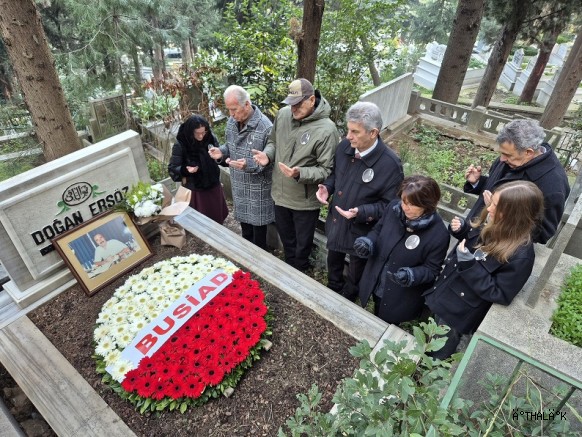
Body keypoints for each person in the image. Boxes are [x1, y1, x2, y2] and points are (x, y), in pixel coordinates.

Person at [424, 181, 545, 359]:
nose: (489, 208)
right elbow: (475, 241)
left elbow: (501, 294)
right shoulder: (497, 222)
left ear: (514, 213)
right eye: (492, 202)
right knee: (429, 334)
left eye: (496, 205)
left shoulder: (521, 255)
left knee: (438, 351)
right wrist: (462, 229)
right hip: (445, 290)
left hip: (459, 311)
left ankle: (428, 371)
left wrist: (469, 265)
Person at [316, 101, 403, 301]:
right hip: (337, 221)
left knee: (356, 273)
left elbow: (391, 206)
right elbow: (336, 175)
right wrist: (327, 188)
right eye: (348, 130)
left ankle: (348, 300)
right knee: (334, 260)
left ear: (373, 133)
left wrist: (362, 212)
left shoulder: (390, 165)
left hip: (362, 230)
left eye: (355, 132)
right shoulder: (344, 147)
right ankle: (332, 289)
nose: (348, 136)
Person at [253, 78, 339, 272]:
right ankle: (289, 268)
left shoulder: (327, 130)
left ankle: (300, 271)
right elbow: (273, 142)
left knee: (302, 244)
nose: (293, 109)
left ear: (311, 100)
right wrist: (268, 155)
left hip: (304, 201)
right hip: (280, 194)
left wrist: (300, 173)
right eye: (291, 104)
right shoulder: (283, 115)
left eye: (298, 104)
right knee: (286, 239)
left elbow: (327, 169)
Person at [353, 176, 449, 324]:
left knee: (387, 321)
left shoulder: (439, 234)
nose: (405, 207)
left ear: (427, 204)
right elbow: (378, 230)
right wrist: (368, 242)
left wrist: (412, 275)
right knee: (376, 310)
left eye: (412, 204)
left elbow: (432, 269)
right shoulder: (394, 208)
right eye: (403, 201)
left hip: (400, 292)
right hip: (377, 274)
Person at [463, 119, 569, 244]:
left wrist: (500, 211)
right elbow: (499, 187)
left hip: (496, 246)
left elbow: (542, 233)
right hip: (473, 231)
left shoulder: (553, 185)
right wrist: (478, 182)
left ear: (528, 152)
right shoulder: (512, 158)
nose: (501, 159)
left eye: (507, 155)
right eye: (502, 153)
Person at [208, 85, 274, 250]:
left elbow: (270, 160)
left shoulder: (265, 126)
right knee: (245, 230)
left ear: (247, 104)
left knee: (258, 234)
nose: (231, 114)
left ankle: (259, 259)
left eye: (234, 109)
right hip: (239, 184)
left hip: (258, 189)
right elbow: (230, 145)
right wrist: (221, 152)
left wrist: (249, 165)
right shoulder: (232, 121)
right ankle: (246, 256)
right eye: (229, 109)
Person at [168, 115, 229, 224]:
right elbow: (173, 168)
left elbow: (219, 157)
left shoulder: (210, 137)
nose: (201, 136)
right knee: (202, 221)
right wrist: (186, 170)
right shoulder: (181, 144)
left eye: (203, 132)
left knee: (217, 216)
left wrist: (221, 157)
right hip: (196, 189)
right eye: (197, 133)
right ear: (191, 132)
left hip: (213, 184)